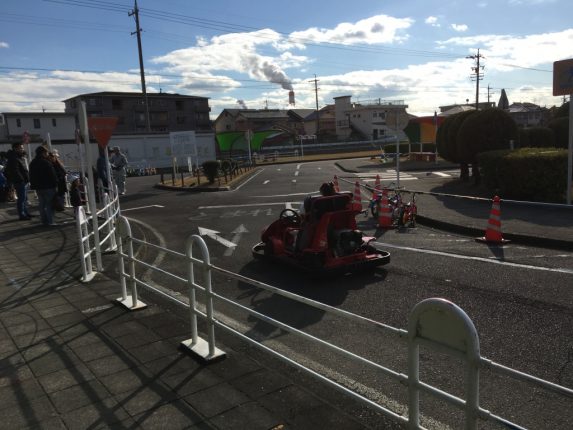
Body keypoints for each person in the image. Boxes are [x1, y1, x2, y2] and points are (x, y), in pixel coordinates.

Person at [29, 145, 58, 226]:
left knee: (42, 204)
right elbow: (52, 175)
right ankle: (50, 221)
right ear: (43, 153)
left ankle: (44, 221)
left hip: (38, 187)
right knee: (49, 204)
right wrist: (56, 184)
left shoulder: (32, 163)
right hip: (48, 186)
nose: (47, 154)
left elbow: (30, 175)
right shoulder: (46, 162)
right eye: (46, 153)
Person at [4, 142, 32, 220]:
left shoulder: (17, 156)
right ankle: (22, 214)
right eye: (21, 148)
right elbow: (15, 170)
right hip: (20, 181)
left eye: (22, 148)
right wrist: (22, 179)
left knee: (24, 198)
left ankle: (25, 213)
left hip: (22, 181)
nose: (22, 149)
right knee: (22, 199)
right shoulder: (14, 158)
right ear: (15, 148)